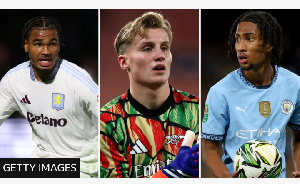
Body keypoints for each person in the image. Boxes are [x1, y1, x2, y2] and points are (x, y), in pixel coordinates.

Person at [100, 11, 199, 178]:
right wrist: (171, 173)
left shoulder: (196, 110)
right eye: (147, 48)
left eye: (165, 48)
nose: (160, 56)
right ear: (124, 62)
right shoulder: (107, 122)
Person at [201, 10, 300, 178]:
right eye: (238, 39)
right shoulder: (221, 91)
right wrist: (227, 179)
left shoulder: (294, 85)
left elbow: (298, 138)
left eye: (249, 39)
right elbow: (208, 149)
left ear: (269, 44)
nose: (240, 47)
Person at [0, 17, 98, 178]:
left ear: (59, 46)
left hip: (82, 166)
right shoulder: (13, 81)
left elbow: (109, 120)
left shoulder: (78, 82)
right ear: (26, 46)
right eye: (38, 44)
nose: (45, 51)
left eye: (51, 44)